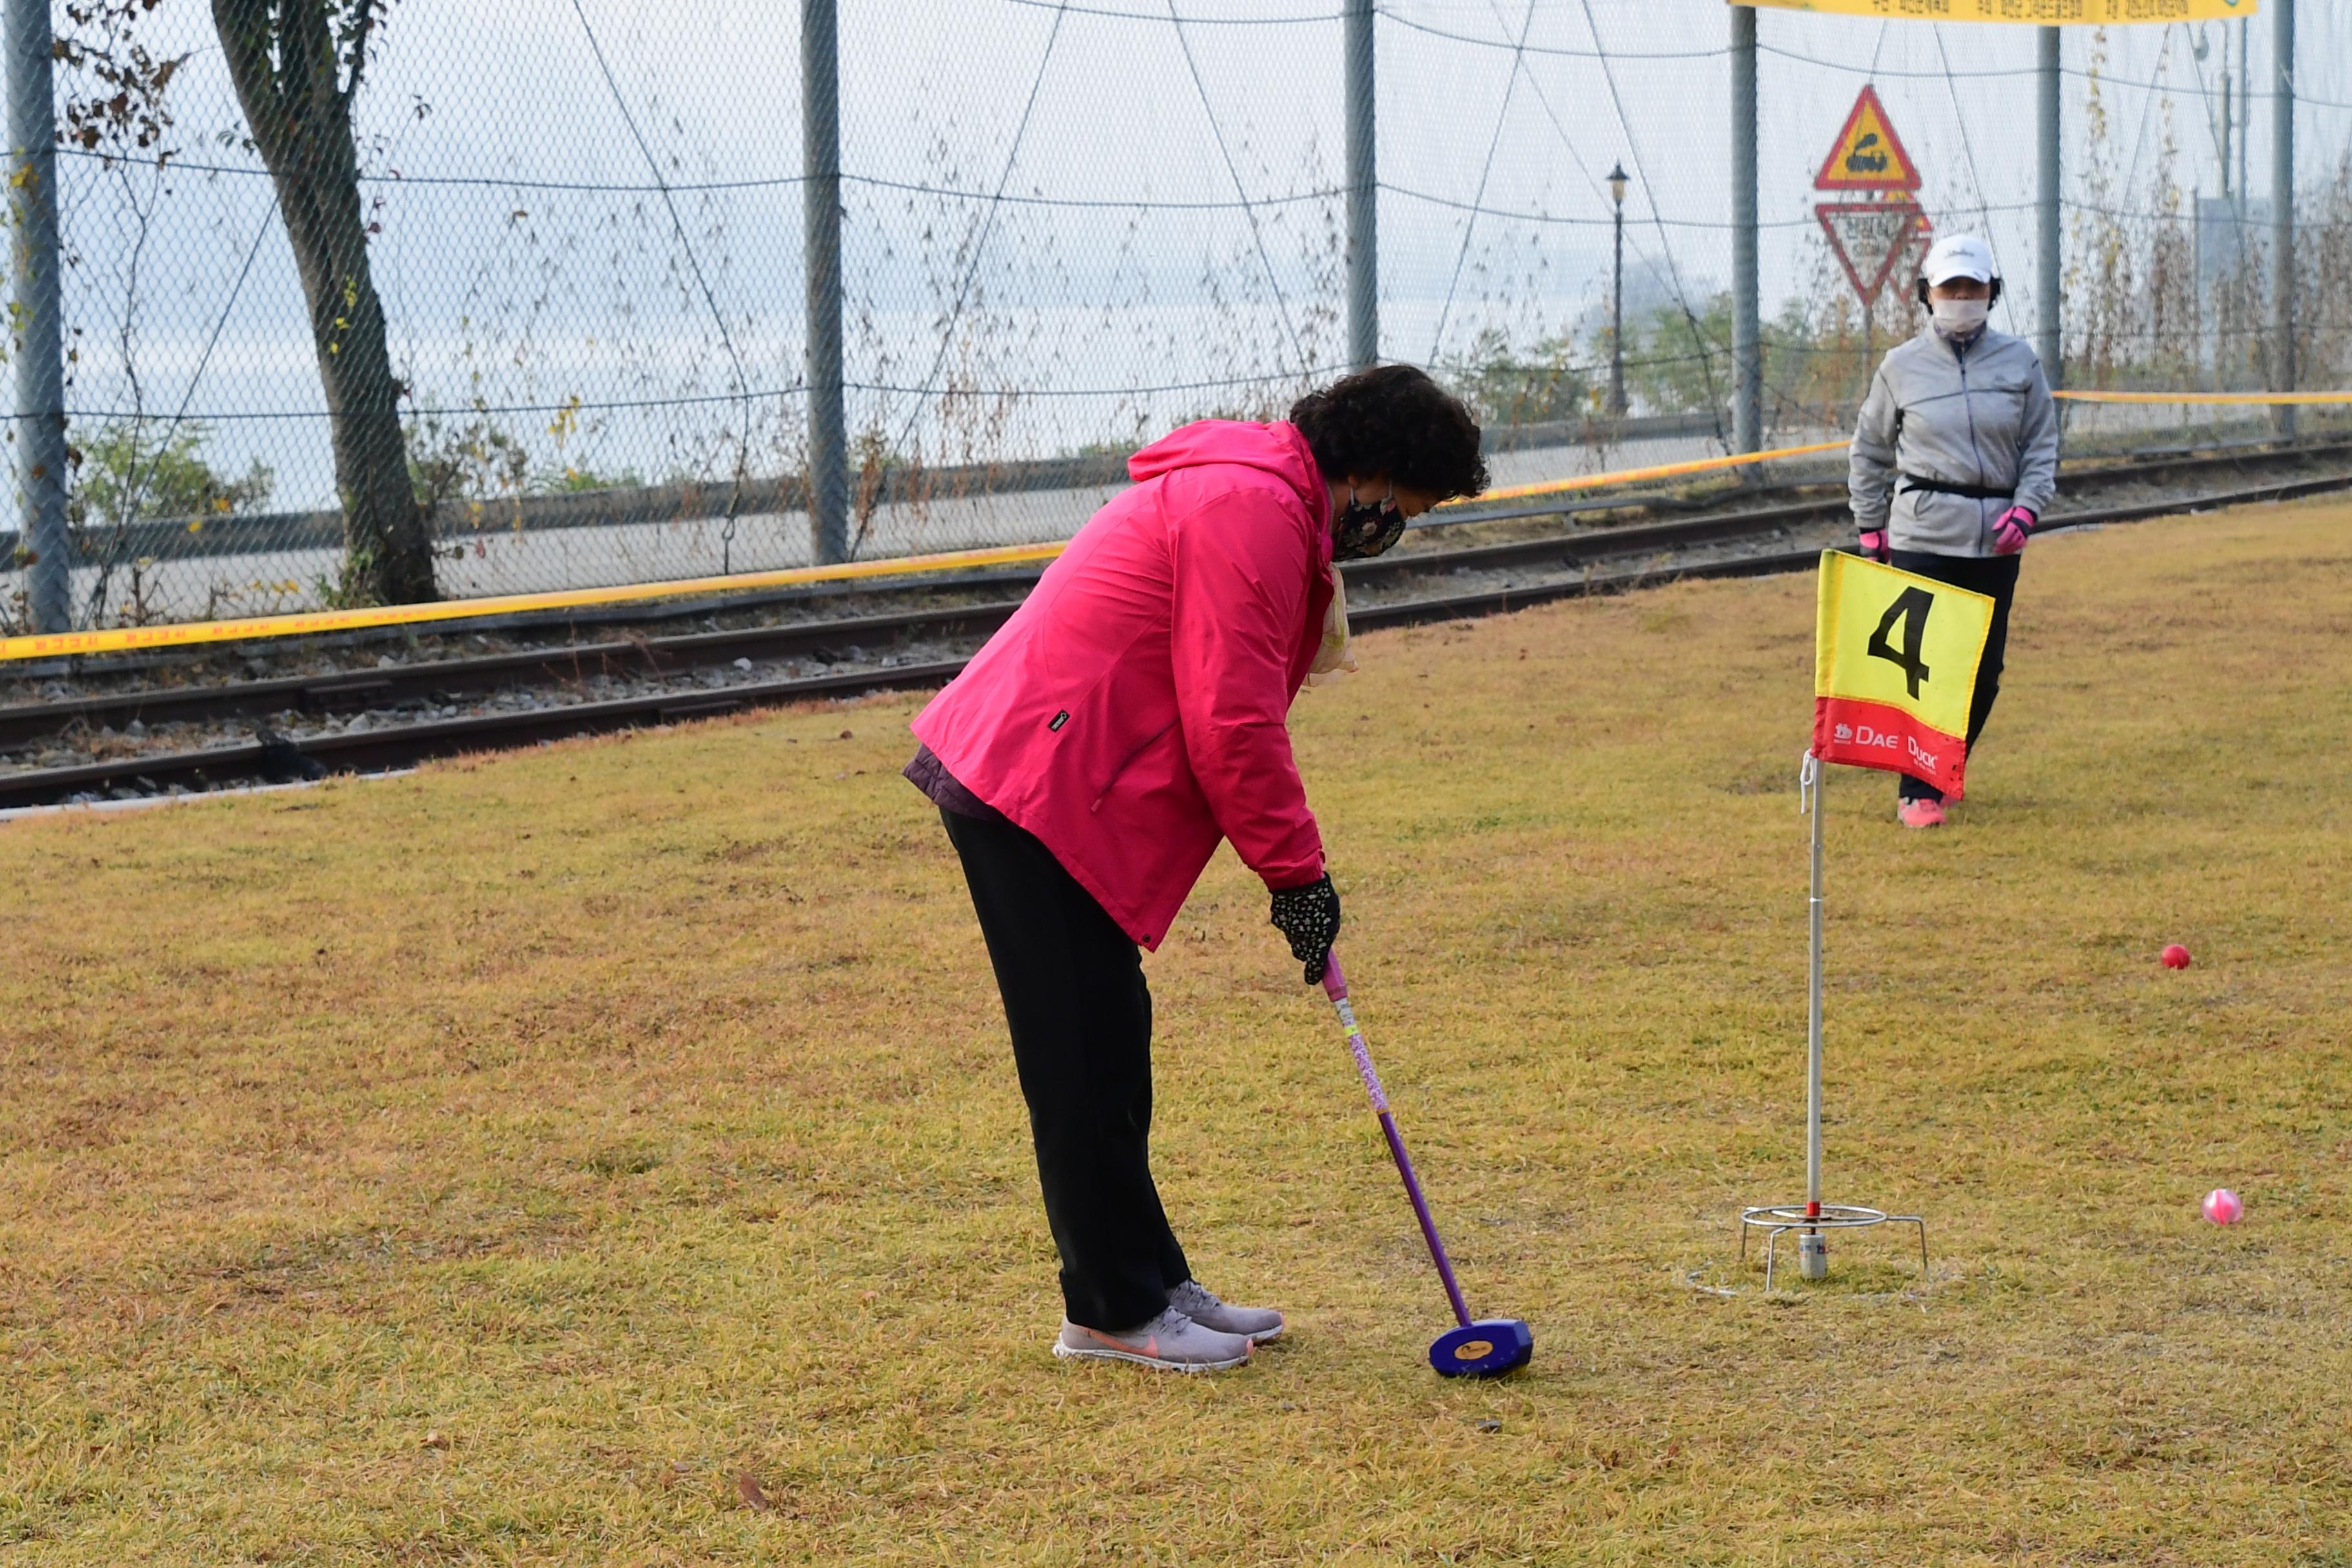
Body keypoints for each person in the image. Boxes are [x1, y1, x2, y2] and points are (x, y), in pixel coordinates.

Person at [904, 366, 1488, 1371]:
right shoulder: (1252, 507)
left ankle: (1152, 1279)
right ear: (1371, 470)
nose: (1390, 531)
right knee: (1078, 1062)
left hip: (1061, 780)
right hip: (1030, 782)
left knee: (1111, 1045)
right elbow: (1233, 719)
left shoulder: (1273, 500)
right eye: (1398, 510)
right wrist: (1299, 881)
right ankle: (1107, 1312)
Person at [1850, 233, 2060, 829]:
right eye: (1951, 288)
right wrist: (1870, 526)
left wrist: (2027, 509)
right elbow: (1869, 452)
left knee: (1984, 670)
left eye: (1973, 288)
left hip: (1997, 537)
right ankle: (1917, 788)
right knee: (1925, 667)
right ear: (1927, 295)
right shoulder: (1900, 367)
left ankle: (1944, 765)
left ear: (1992, 293)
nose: (1962, 298)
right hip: (1921, 535)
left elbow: (2042, 445)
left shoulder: (2020, 363)